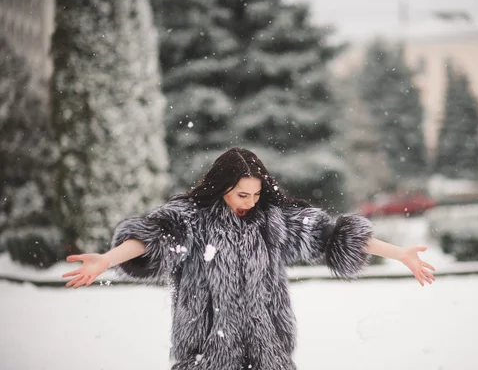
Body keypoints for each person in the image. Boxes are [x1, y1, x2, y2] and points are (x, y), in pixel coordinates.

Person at [62, 147, 435, 370]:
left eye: (256, 194)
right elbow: (154, 238)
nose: (250, 202)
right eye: (242, 194)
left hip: (269, 355)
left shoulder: (272, 221)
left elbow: (333, 236)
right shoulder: (192, 218)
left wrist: (399, 253)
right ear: (222, 188)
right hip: (206, 356)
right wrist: (107, 259)